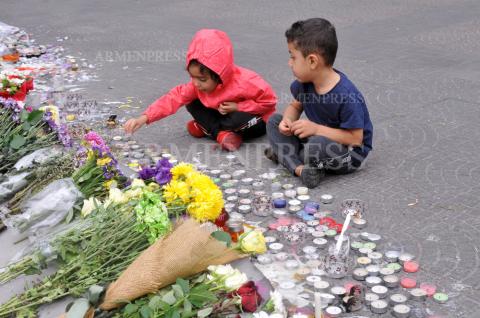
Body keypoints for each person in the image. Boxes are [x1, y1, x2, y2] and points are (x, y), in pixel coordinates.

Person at [124, 29, 277, 151]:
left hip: (251, 119)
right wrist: (144, 118)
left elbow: (269, 102)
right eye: (193, 77)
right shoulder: (196, 86)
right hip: (221, 116)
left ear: (219, 74)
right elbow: (173, 98)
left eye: (202, 80)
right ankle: (219, 134)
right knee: (191, 102)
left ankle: (207, 129)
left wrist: (239, 107)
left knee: (237, 120)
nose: (196, 84)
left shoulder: (246, 81)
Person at [265, 18, 373, 188]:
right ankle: (301, 168)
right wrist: (287, 121)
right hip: (314, 140)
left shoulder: (347, 95)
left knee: (316, 146)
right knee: (274, 122)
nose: (289, 63)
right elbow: (295, 106)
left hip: (346, 153)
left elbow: (356, 139)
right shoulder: (304, 84)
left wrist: (316, 129)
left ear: (312, 61)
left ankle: (288, 155)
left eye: (293, 57)